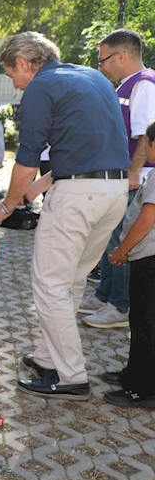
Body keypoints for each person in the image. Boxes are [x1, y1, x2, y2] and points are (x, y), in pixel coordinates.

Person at [0, 32, 130, 401]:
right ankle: (48, 357)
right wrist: (36, 189)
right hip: (113, 191)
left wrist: (7, 204)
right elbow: (88, 147)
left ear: (23, 63)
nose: (14, 84)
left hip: (77, 198)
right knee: (70, 282)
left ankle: (70, 377)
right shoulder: (94, 78)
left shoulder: (40, 87)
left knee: (49, 285)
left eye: (11, 74)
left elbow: (27, 159)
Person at [79, 29, 155, 330]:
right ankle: (105, 294)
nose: (101, 66)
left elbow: (144, 135)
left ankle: (120, 305)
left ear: (121, 56)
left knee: (124, 238)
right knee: (112, 234)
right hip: (121, 176)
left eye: (103, 59)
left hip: (136, 179)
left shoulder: (145, 85)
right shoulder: (127, 85)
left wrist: (133, 174)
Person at [103, 121, 155, 408]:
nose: (143, 149)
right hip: (146, 257)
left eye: (145, 142)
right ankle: (133, 374)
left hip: (149, 258)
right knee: (140, 321)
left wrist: (123, 249)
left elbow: (147, 220)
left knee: (146, 324)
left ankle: (144, 389)